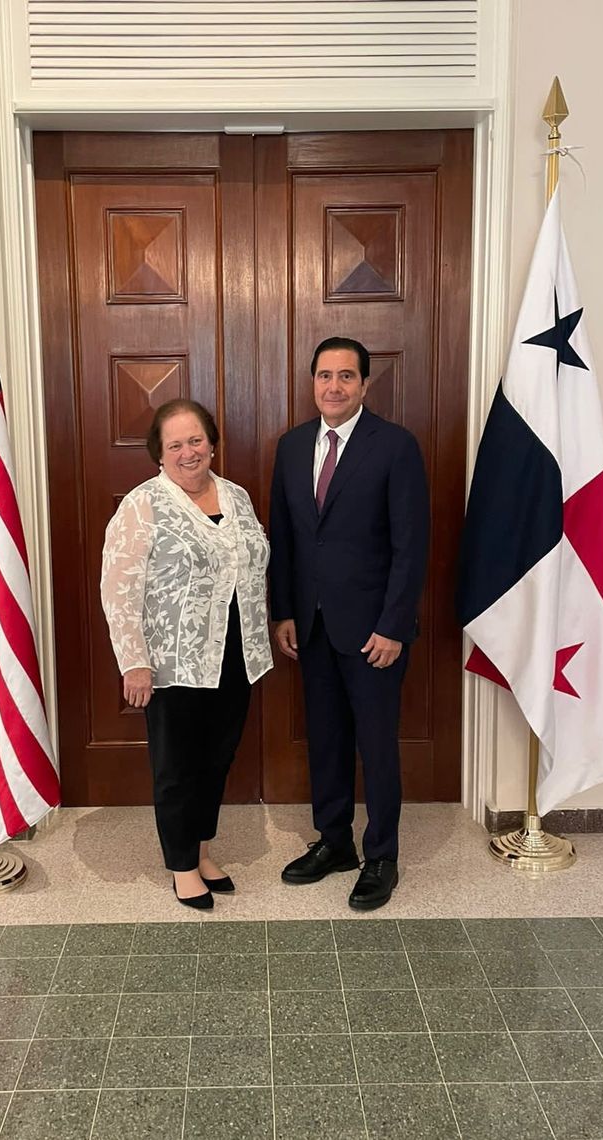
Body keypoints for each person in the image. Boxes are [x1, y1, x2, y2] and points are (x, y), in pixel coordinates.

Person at [269, 337, 429, 910]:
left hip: (373, 633)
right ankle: (334, 842)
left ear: (364, 384)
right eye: (323, 376)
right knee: (327, 741)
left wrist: (393, 624)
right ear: (312, 381)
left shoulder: (395, 447)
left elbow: (411, 547)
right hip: (310, 627)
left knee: (377, 745)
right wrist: (283, 610)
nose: (332, 387)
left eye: (345, 377)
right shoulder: (290, 447)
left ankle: (381, 854)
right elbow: (284, 538)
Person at [101, 399, 272, 910]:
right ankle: (180, 864)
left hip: (237, 653)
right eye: (175, 444)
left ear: (212, 443)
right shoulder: (142, 504)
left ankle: (199, 849)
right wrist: (134, 659)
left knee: (217, 759)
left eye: (196, 440)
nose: (188, 452)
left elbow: (256, 564)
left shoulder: (237, 497)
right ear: (160, 453)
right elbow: (120, 586)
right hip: (174, 658)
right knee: (177, 764)